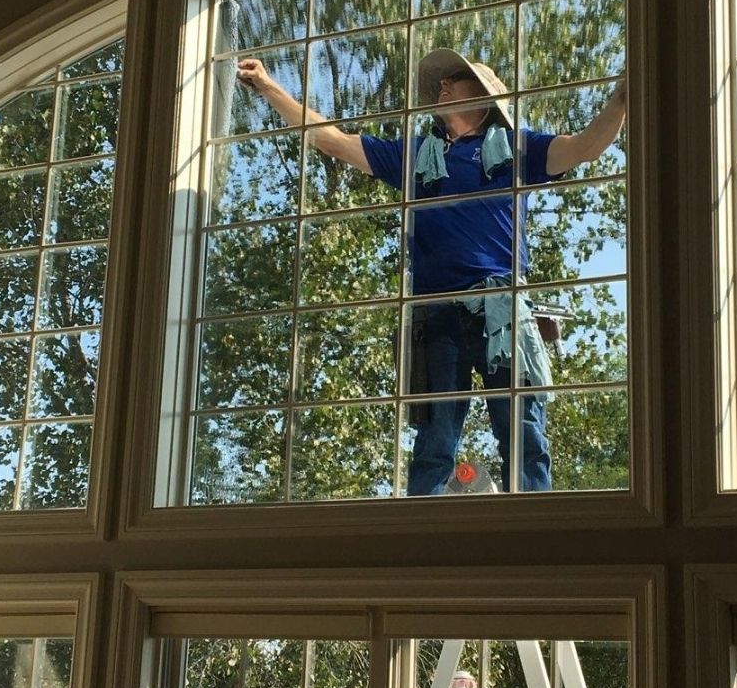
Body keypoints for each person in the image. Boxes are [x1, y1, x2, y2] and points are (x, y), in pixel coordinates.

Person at [236, 47, 626, 495]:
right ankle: (422, 536)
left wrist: (620, 100)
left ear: (483, 98)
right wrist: (268, 86)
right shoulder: (417, 156)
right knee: (434, 440)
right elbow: (330, 139)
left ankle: (533, 533)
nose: (442, 86)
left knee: (522, 432)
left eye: (454, 79)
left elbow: (585, 147)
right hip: (437, 312)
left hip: (501, 310)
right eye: (441, 82)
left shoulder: (517, 149)